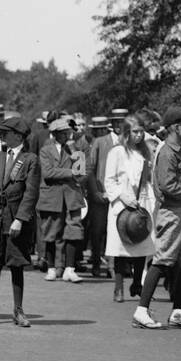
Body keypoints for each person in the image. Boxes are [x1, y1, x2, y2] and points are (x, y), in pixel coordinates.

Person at [130, 107, 181, 329]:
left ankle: (178, 311)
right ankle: (141, 310)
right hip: (172, 213)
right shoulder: (167, 152)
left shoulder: (178, 151)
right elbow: (166, 184)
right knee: (163, 259)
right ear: (175, 127)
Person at [0, 113, 40, 326]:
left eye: (5, 132)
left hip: (15, 221)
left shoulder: (30, 159)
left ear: (18, 136)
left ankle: (18, 310)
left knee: (16, 265)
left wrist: (20, 219)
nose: (1, 135)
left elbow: (31, 193)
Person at [104, 112, 157, 304]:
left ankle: (137, 283)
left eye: (141, 132)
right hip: (122, 204)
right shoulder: (117, 152)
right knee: (121, 247)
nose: (139, 136)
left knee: (140, 242)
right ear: (126, 133)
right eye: (135, 132)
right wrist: (123, 196)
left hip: (141, 200)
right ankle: (118, 287)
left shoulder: (145, 152)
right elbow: (109, 180)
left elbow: (149, 179)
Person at [37, 116, 86, 282]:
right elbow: (48, 173)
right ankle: (51, 267)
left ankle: (70, 269)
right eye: (64, 133)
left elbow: (81, 173)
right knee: (51, 231)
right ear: (55, 134)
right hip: (52, 196)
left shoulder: (75, 149)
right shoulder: (46, 150)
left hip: (71, 195)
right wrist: (69, 173)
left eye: (68, 132)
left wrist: (74, 154)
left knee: (74, 230)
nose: (67, 136)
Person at [83, 115, 115, 278]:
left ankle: (112, 265)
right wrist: (95, 192)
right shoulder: (97, 143)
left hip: (115, 194)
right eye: (96, 130)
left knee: (113, 231)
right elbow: (89, 169)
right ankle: (96, 263)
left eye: (100, 129)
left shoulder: (118, 141)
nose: (98, 132)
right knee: (97, 231)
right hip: (100, 194)